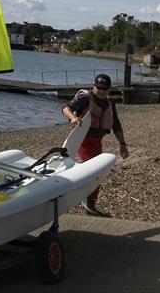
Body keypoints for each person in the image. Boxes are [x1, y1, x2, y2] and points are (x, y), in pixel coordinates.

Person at [62, 73, 129, 217]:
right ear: (94, 86)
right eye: (98, 88)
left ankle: (90, 203)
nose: (101, 92)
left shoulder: (110, 103)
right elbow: (65, 108)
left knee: (99, 170)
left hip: (97, 140)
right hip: (82, 138)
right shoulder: (85, 97)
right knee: (93, 169)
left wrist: (122, 144)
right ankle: (87, 202)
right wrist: (73, 117)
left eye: (104, 89)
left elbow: (116, 124)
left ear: (109, 89)